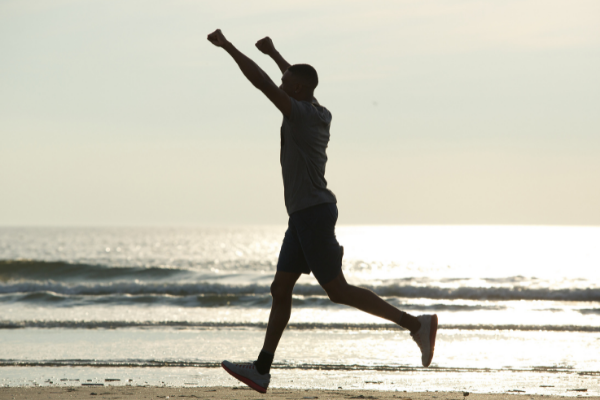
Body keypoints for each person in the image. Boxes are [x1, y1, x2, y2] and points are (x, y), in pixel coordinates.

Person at [207, 29, 438, 394]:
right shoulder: (318, 109)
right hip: (303, 214)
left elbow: (265, 84)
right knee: (280, 287)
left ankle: (415, 325)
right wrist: (275, 53)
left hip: (312, 213)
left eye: (287, 83)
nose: (282, 85)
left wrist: (229, 47)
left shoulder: (298, 114)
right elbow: (295, 80)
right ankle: (261, 370)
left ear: (295, 91)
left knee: (337, 290)